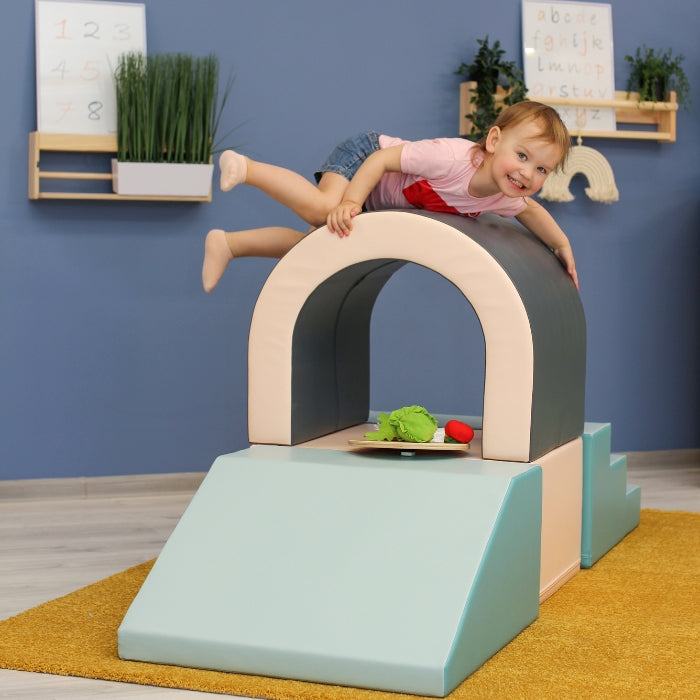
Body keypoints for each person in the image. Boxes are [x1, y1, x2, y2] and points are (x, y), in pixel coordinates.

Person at [202, 101, 579, 292]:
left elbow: (532, 213)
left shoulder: (503, 197)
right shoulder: (450, 158)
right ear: (494, 141)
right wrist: (351, 201)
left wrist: (561, 245)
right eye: (523, 156)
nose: (528, 173)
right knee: (325, 210)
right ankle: (246, 168)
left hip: (373, 199)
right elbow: (383, 160)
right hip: (366, 158)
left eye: (542, 170)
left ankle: (229, 244)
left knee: (314, 247)